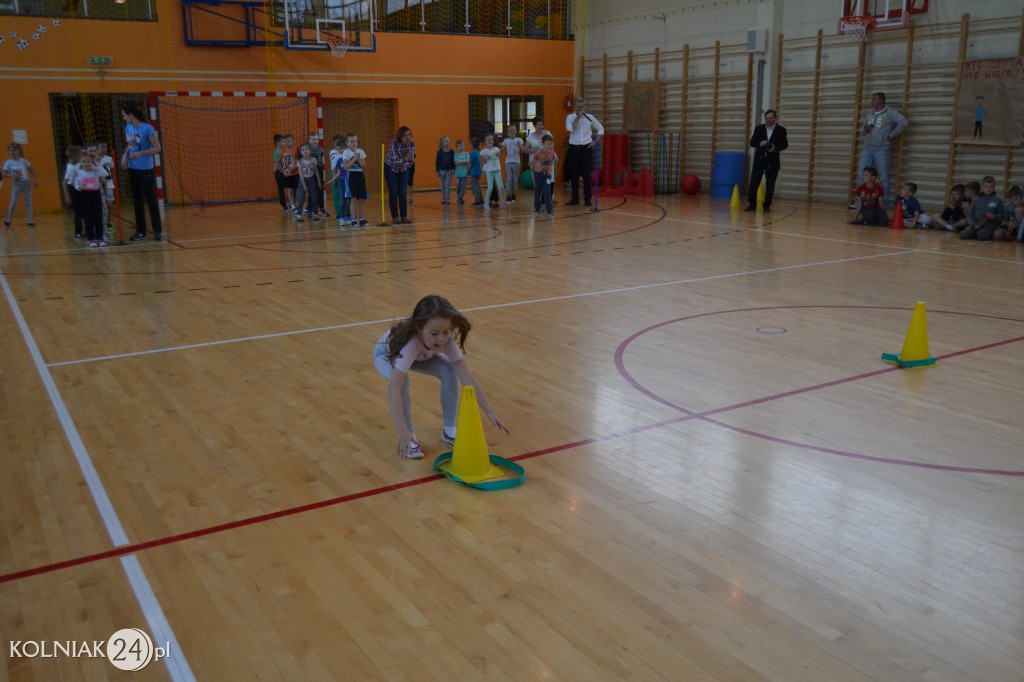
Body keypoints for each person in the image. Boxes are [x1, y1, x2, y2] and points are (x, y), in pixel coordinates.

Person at [373, 294, 509, 460]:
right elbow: (393, 391)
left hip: (419, 356)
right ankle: (410, 438)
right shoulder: (409, 346)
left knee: (448, 369)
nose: (441, 339)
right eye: (434, 333)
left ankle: (449, 430)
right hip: (386, 356)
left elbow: (467, 377)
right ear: (419, 329)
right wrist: (402, 431)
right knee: (402, 382)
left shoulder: (447, 342)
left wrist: (489, 410)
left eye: (446, 331)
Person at [852, 92, 908, 205]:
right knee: (861, 176)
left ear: (881, 101)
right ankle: (860, 202)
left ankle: (883, 204)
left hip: (882, 150)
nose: (871, 102)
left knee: (883, 178)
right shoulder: (870, 113)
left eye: (874, 99)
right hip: (867, 149)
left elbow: (904, 122)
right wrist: (864, 130)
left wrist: (891, 135)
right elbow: (863, 129)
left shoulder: (890, 113)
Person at [121, 106, 163, 241]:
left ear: (131, 115)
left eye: (124, 115)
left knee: (151, 199)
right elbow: (130, 144)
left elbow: (157, 148)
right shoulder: (128, 128)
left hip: (146, 169)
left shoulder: (147, 128)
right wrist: (125, 155)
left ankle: (157, 231)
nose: (124, 118)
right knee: (137, 200)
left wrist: (141, 153)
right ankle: (141, 231)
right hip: (133, 168)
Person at [744, 109, 788, 212]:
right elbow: (752, 142)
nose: (769, 120)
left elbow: (785, 144)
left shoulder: (781, 130)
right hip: (760, 160)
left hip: (773, 161)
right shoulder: (759, 128)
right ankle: (752, 204)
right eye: (767, 118)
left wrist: (775, 148)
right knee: (754, 182)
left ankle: (766, 205)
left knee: (770, 184)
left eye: (771, 118)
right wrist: (760, 143)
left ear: (775, 118)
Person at [565, 98, 604, 206]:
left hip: (586, 147)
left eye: (582, 107)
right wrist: (578, 118)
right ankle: (574, 198)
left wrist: (596, 141)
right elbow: (570, 130)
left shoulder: (590, 117)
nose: (581, 109)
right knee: (574, 174)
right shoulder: (570, 117)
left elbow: (601, 128)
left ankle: (588, 198)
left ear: (585, 107)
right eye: (579, 107)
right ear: (575, 107)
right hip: (574, 147)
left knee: (587, 174)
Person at [74, 152, 109, 247]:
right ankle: (91, 239)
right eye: (84, 162)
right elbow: (76, 183)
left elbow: (105, 173)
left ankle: (100, 238)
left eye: (88, 161)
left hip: (96, 195)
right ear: (81, 163)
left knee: (98, 217)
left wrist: (96, 163)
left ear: (92, 162)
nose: (86, 164)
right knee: (88, 218)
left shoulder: (96, 171)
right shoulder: (79, 173)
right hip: (85, 195)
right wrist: (79, 187)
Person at [525, 116, 558, 205]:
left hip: (547, 162)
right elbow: (526, 150)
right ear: (534, 126)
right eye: (539, 125)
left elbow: (552, 145)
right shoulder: (530, 137)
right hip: (536, 163)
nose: (541, 127)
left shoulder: (547, 134)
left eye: (542, 125)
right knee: (538, 183)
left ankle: (549, 200)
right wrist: (535, 150)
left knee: (548, 180)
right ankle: (538, 203)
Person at [3, 142, 38, 227]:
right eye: (10, 150)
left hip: (26, 184)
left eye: (14, 150)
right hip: (16, 185)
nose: (12, 152)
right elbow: (4, 173)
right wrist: (12, 175)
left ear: (19, 151)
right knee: (13, 203)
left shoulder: (24, 161)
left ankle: (30, 221)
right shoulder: (8, 162)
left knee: (28, 202)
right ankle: (8, 220)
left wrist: (35, 180)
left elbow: (32, 171)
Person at [959, 175, 1005, 241]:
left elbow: (1002, 216)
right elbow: (970, 215)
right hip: (977, 225)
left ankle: (991, 233)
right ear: (982, 187)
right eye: (986, 186)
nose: (988, 189)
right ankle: (975, 232)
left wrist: (994, 216)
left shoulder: (998, 200)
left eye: (991, 186)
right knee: (963, 235)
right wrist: (973, 225)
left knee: (982, 236)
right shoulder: (976, 199)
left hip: (990, 226)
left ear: (994, 187)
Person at [384, 126, 415, 224]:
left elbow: (410, 159)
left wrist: (409, 161)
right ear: (400, 136)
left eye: (409, 135)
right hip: (391, 168)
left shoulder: (412, 143)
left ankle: (404, 216)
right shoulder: (394, 143)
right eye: (405, 135)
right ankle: (395, 216)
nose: (408, 137)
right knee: (394, 192)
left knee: (403, 192)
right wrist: (405, 159)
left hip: (404, 168)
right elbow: (394, 161)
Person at [341, 133, 368, 227]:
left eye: (355, 141)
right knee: (354, 199)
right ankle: (353, 220)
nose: (354, 143)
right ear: (347, 143)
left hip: (360, 175)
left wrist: (359, 160)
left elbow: (365, 167)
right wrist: (353, 160)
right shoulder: (346, 152)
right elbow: (345, 167)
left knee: (361, 199)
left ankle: (361, 219)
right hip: (351, 176)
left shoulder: (361, 152)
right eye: (351, 141)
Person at [294, 143, 320, 222]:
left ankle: (315, 213)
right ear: (300, 152)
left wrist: (319, 182)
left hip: (312, 180)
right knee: (301, 198)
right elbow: (301, 174)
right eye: (303, 150)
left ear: (310, 150)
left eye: (306, 149)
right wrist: (304, 185)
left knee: (314, 197)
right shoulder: (300, 162)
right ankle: (299, 215)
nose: (305, 151)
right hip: (303, 181)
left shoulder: (313, 160)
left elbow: (316, 171)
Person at [63, 146, 85, 239]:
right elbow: (65, 182)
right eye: (79, 155)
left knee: (84, 211)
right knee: (78, 213)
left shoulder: (77, 164)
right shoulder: (71, 168)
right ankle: (78, 232)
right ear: (76, 156)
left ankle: (85, 231)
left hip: (80, 189)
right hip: (74, 191)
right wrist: (67, 196)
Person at [531, 134, 557, 215]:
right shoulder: (538, 153)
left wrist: (551, 172)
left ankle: (549, 208)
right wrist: (533, 173)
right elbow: (533, 162)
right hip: (538, 173)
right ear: (543, 144)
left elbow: (553, 162)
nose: (549, 145)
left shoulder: (552, 153)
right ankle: (537, 207)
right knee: (537, 190)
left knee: (547, 190)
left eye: (550, 143)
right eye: (548, 144)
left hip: (547, 174)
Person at [96, 141, 115, 240]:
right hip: (99, 183)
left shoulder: (109, 159)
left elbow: (111, 170)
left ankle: (109, 226)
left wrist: (113, 180)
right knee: (102, 207)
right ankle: (101, 228)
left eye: (106, 146)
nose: (104, 148)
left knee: (110, 205)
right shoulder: (95, 159)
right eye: (102, 146)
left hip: (109, 183)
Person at [480, 134, 505, 210]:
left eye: (491, 140)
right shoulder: (483, 151)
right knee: (490, 187)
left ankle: (503, 202)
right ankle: (486, 203)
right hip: (489, 171)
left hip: (497, 170)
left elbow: (499, 155)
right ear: (485, 141)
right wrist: (487, 157)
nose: (490, 141)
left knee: (500, 186)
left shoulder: (496, 149)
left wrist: (499, 152)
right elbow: (482, 161)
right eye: (488, 140)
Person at [502, 124, 525, 204]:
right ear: (508, 133)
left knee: (515, 179)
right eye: (511, 130)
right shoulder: (506, 140)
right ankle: (508, 195)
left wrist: (520, 145)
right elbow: (502, 150)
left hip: (516, 162)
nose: (513, 132)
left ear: (516, 131)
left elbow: (523, 150)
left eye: (514, 130)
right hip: (508, 162)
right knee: (509, 179)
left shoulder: (519, 140)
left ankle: (513, 194)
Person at [277, 133, 299, 213]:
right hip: (288, 174)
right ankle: (292, 206)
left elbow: (300, 160)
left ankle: (299, 205)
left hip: (296, 173)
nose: (287, 143)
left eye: (289, 141)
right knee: (290, 190)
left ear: (293, 141)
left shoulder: (296, 149)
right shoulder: (282, 152)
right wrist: (282, 171)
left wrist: (295, 167)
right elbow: (278, 162)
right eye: (286, 141)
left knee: (299, 189)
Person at [307, 133, 328, 218]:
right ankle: (310, 209)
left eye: (316, 139)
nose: (315, 141)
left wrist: (323, 161)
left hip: (319, 170)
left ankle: (322, 208)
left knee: (320, 189)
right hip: (311, 171)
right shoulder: (308, 149)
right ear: (309, 141)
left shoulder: (321, 149)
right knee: (312, 190)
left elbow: (322, 157)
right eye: (313, 139)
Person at [436, 136, 455, 205]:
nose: (448, 142)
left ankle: (447, 198)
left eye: (449, 140)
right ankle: (443, 197)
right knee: (443, 185)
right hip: (442, 171)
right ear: (442, 143)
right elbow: (437, 162)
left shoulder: (452, 151)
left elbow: (453, 161)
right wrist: (437, 171)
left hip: (449, 170)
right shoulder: (439, 151)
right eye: (446, 141)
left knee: (447, 185)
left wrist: (453, 169)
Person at [273, 134, 288, 212]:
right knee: (281, 189)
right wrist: (283, 172)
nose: (284, 143)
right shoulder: (276, 153)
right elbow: (278, 164)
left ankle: (291, 204)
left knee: (291, 187)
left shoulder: (285, 151)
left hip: (286, 172)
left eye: (285, 142)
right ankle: (284, 205)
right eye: (283, 142)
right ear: (277, 143)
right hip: (280, 173)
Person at [453, 139, 470, 205]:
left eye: (462, 145)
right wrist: (464, 161)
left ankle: (459, 199)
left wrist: (460, 162)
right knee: (458, 188)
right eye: (459, 146)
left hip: (465, 174)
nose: (461, 147)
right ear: (457, 147)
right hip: (458, 174)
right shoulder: (455, 155)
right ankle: (461, 199)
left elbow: (468, 161)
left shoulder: (466, 154)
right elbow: (456, 163)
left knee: (463, 188)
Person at [468, 137, 484, 206]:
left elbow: (470, 164)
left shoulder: (472, 153)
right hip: (478, 172)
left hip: (474, 173)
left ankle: (477, 201)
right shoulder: (477, 152)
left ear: (472, 145)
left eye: (470, 143)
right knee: (478, 186)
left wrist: (467, 171)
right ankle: (481, 200)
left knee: (474, 187)